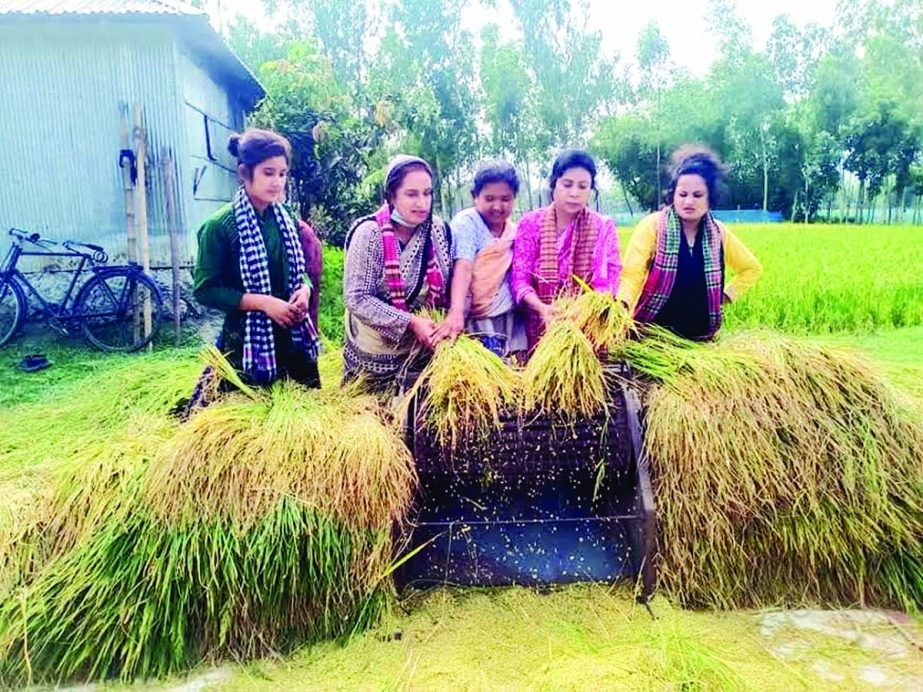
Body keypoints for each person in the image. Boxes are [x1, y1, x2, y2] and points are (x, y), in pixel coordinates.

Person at [192, 128, 320, 390]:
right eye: (268, 173)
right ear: (243, 173)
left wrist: (305, 290)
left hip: (292, 338)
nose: (277, 182)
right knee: (248, 421)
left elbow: (300, 270)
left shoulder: (285, 218)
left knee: (304, 420)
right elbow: (205, 290)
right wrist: (263, 303)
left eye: (282, 174)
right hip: (246, 344)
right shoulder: (220, 227)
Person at [617, 146, 762, 340]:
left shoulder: (719, 233)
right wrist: (623, 304)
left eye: (697, 195)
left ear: (710, 199)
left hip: (701, 337)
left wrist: (725, 296)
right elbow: (632, 274)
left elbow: (750, 268)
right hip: (651, 335)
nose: (689, 202)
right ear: (673, 196)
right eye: (683, 194)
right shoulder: (652, 227)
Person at [342, 154, 451, 390]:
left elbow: (451, 283)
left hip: (423, 345)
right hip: (374, 349)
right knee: (373, 418)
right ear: (392, 196)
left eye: (427, 193)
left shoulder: (437, 230)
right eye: (411, 194)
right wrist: (410, 322)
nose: (422, 203)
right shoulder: (370, 234)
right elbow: (356, 297)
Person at [511, 149, 622, 350]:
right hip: (540, 331)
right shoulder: (531, 224)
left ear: (591, 190)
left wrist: (583, 311)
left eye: (583, 186)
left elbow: (609, 281)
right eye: (567, 184)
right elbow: (520, 281)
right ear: (554, 184)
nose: (574, 193)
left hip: (587, 331)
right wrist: (542, 308)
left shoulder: (602, 227)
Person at [438, 160, 527, 358]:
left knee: (513, 369)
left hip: (507, 314)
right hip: (475, 315)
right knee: (483, 371)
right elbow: (464, 265)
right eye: (489, 198)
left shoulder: (513, 231)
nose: (497, 206)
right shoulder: (468, 222)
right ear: (475, 197)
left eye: (505, 199)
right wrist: (457, 311)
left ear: (514, 198)